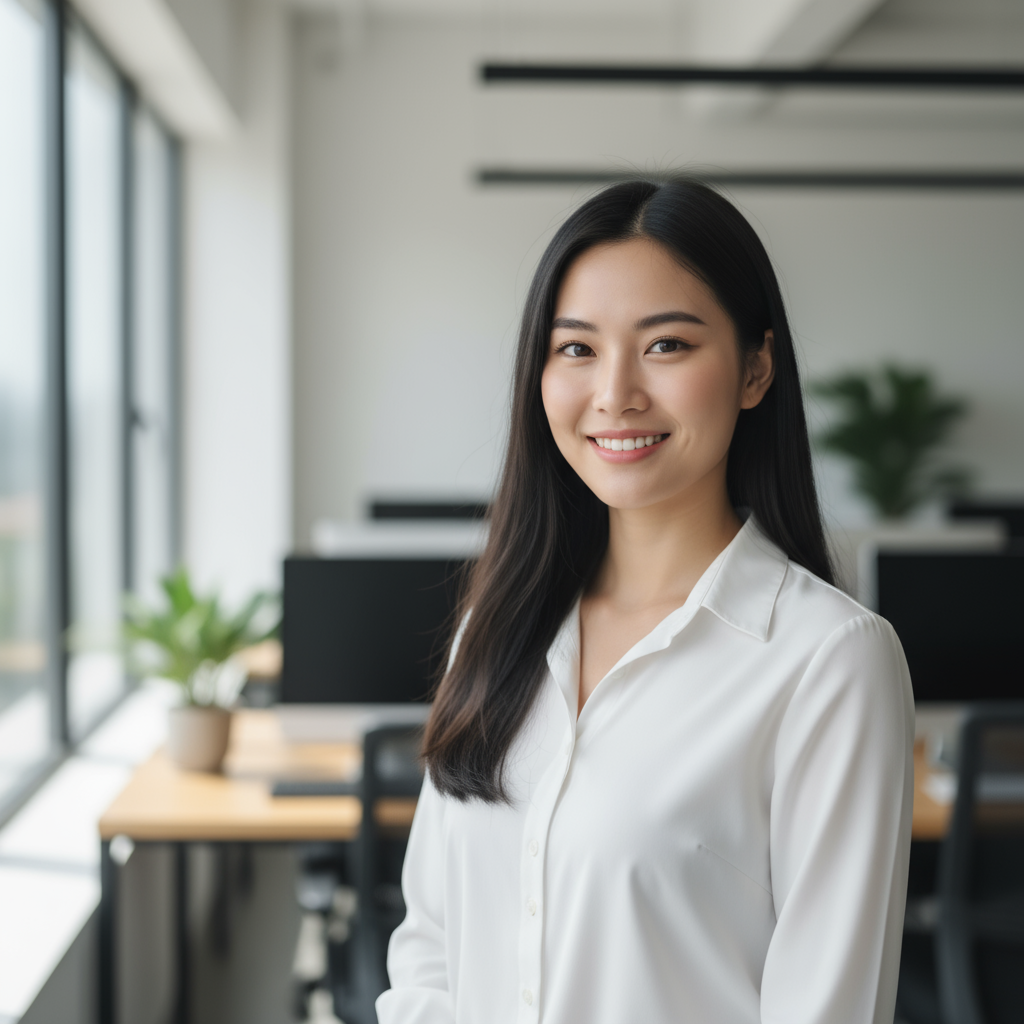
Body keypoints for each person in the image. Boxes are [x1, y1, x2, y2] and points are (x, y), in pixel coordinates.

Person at [376, 178, 913, 1024]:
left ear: (755, 368)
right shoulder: (498, 627)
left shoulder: (829, 660)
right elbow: (431, 949)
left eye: (665, 346)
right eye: (577, 349)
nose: (615, 393)